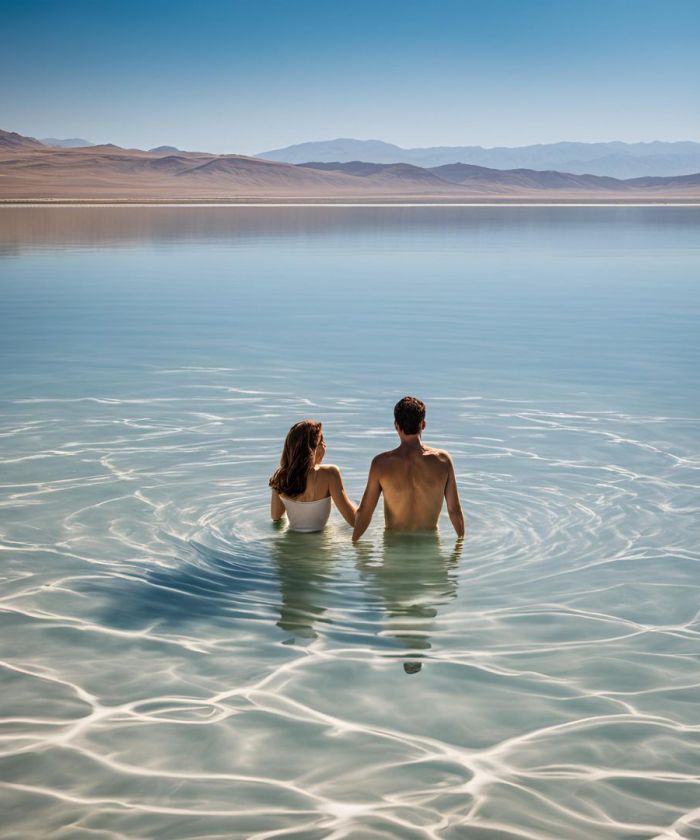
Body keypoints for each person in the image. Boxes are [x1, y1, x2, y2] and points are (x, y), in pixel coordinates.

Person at [352, 396, 465, 542]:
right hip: (428, 548)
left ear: (396, 425)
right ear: (423, 425)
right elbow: (454, 510)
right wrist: (460, 544)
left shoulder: (381, 464)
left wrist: (354, 542)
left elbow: (365, 512)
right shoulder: (443, 461)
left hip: (395, 547)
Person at [270, 420, 356, 533]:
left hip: (288, 546)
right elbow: (355, 521)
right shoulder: (330, 473)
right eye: (322, 442)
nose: (325, 446)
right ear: (312, 449)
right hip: (320, 547)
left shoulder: (280, 477)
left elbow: (276, 517)